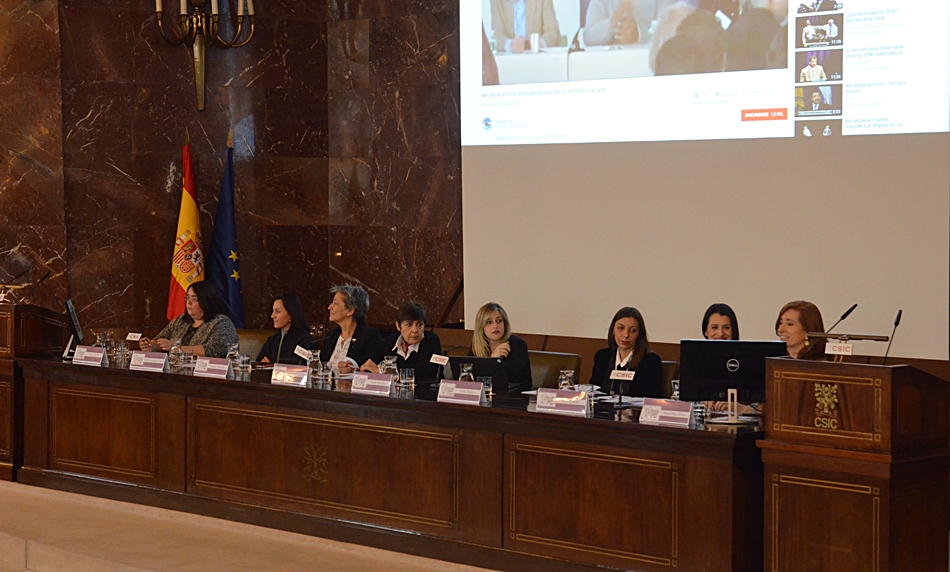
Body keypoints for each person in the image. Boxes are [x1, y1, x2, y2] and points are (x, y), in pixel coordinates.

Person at [139, 281, 239, 358]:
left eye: (194, 299)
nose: (189, 303)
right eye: (187, 298)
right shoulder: (181, 320)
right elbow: (161, 340)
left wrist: (176, 349)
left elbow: (215, 350)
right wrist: (151, 346)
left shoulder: (221, 322)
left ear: (207, 301)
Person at [589, 307, 664, 398]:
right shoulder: (603, 357)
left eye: (633, 330)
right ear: (613, 330)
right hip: (604, 411)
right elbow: (595, 393)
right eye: (621, 328)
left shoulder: (650, 361)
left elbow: (652, 398)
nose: (626, 335)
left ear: (639, 334)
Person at [362, 302, 444, 381]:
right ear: (398, 326)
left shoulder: (431, 340)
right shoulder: (391, 341)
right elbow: (371, 362)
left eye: (419, 324)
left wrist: (381, 371)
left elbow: (424, 374)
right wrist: (357, 367)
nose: (415, 330)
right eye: (409, 325)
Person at [470, 302, 532, 394]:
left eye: (499, 321)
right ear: (481, 327)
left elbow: (506, 379)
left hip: (514, 400)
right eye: (489, 322)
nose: (495, 326)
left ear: (505, 324)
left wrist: (494, 361)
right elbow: (471, 378)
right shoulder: (477, 346)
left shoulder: (517, 345)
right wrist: (492, 358)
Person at [319, 285, 382, 374]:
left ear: (350, 311)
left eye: (335, 303)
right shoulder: (331, 336)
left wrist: (352, 366)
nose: (329, 307)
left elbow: (370, 366)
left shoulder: (370, 336)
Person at [257, 293, 315, 365]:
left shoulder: (305, 340)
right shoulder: (272, 340)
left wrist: (273, 368)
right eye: (273, 311)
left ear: (291, 314)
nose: (272, 316)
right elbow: (259, 363)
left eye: (277, 311)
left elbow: (305, 369)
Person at [490, 0, 562, 53]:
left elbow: (553, 31)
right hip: (509, 63)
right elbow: (496, 35)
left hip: (537, 61)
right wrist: (510, 45)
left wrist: (536, 44)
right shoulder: (497, 2)